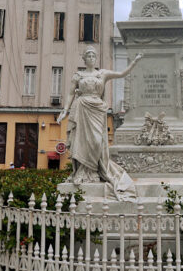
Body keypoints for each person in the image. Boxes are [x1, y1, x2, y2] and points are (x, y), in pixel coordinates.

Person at [57, 47, 143, 201]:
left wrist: (135, 62)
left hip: (97, 110)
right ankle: (84, 173)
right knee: (82, 142)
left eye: (93, 55)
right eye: (88, 55)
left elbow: (122, 73)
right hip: (82, 108)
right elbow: (70, 93)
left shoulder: (102, 73)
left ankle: (95, 170)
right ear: (84, 59)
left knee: (97, 142)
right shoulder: (78, 76)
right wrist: (64, 111)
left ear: (95, 58)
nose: (91, 57)